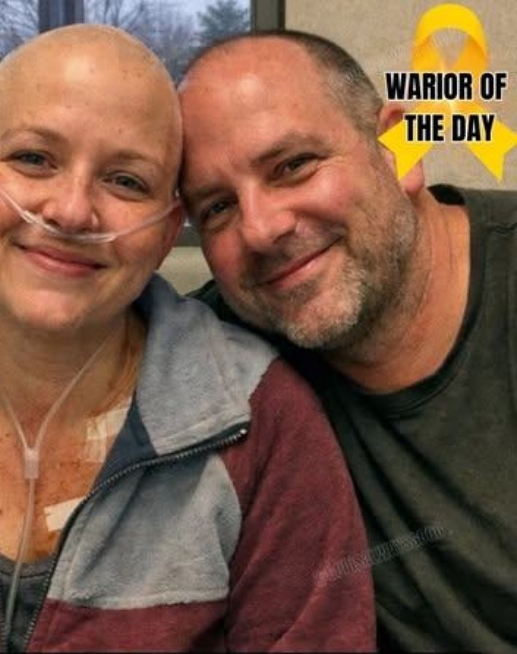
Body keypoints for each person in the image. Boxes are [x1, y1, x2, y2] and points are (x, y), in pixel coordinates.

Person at [0, 24, 374, 653]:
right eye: (34, 159)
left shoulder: (260, 420)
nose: (72, 211)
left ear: (166, 233)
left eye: (126, 181)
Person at [179, 28, 517, 653]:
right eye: (217, 208)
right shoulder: (216, 353)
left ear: (397, 151)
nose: (260, 230)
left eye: (293, 166)